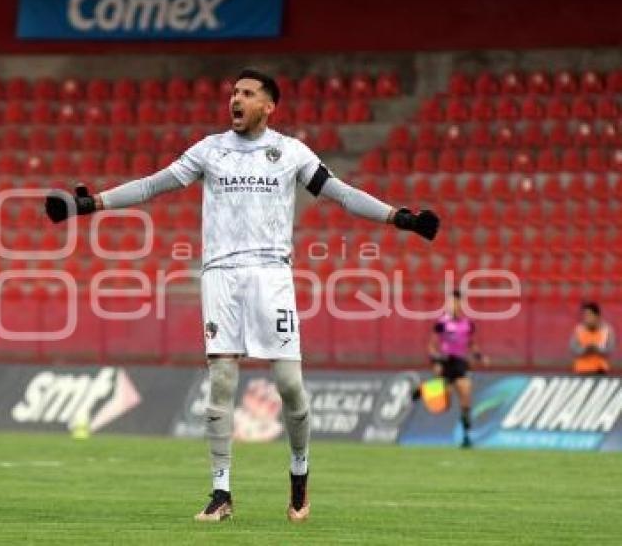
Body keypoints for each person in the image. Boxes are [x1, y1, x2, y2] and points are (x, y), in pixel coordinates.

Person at [44, 68, 439, 522]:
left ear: (268, 106)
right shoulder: (210, 150)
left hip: (272, 275)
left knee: (290, 386)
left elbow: (342, 194)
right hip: (221, 275)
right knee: (222, 380)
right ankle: (220, 491)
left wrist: (400, 218)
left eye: (248, 93)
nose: (236, 98)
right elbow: (154, 184)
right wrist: (89, 203)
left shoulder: (290, 153)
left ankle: (299, 473)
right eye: (234, 91)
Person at [418, 289, 487, 448]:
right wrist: (435, 361)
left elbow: (472, 343)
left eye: (456, 302)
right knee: (444, 404)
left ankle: (466, 436)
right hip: (446, 362)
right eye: (451, 302)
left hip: (460, 363)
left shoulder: (468, 324)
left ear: (460, 304)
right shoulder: (442, 324)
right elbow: (432, 346)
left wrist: (479, 356)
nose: (453, 306)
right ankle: (424, 389)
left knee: (466, 396)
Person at [570, 301, 616, 375]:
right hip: (581, 370)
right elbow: (573, 349)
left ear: (597, 316)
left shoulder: (607, 330)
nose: (586, 318)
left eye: (589, 315)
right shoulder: (578, 330)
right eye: (584, 316)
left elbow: (610, 349)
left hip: (600, 370)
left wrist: (598, 349)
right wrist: (585, 350)